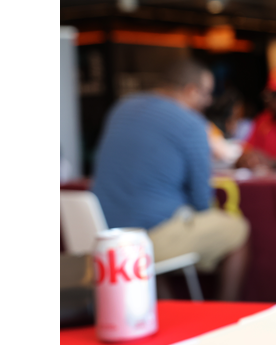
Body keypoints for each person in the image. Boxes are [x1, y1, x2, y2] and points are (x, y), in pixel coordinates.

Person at [91, 59, 250, 301]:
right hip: (146, 242)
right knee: (237, 230)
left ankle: (163, 309)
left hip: (102, 236)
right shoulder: (192, 125)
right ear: (190, 91)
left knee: (161, 226)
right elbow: (201, 201)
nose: (208, 102)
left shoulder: (121, 108)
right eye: (206, 94)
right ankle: (226, 317)